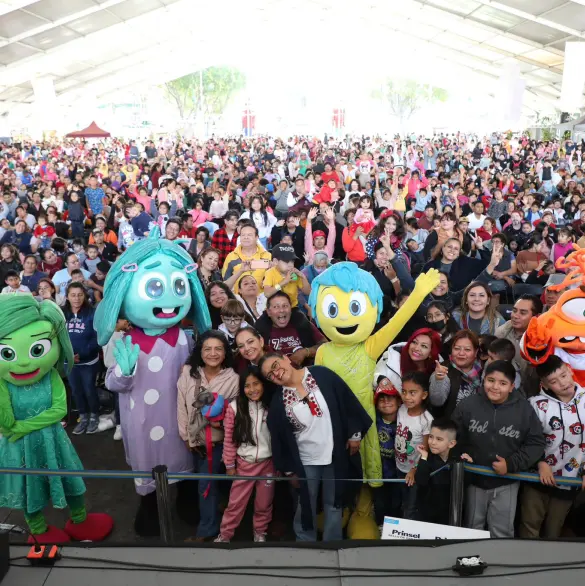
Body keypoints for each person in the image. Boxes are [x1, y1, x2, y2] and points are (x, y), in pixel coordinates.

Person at [259, 352, 372, 541]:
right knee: (306, 502)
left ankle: (332, 541)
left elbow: (347, 402)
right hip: (305, 460)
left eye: (276, 366)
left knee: (334, 502)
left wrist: (354, 434)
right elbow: (279, 438)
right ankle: (305, 541)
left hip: (335, 454)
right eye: (270, 375)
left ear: (287, 359)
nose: (276, 373)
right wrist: (288, 470)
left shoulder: (321, 375)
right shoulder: (279, 402)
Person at [453, 360, 545, 538]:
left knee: (502, 531)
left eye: (503, 383)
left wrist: (511, 464)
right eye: (490, 380)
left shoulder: (524, 409)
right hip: (474, 480)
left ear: (512, 386)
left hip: (507, 481)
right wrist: (460, 454)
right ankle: (470, 562)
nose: (495, 387)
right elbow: (453, 435)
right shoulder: (468, 405)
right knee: (472, 528)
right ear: (483, 380)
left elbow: (536, 443)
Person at [177, 330, 240, 542]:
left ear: (225, 353)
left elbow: (236, 414)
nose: (212, 353)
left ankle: (207, 531)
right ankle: (218, 516)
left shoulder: (234, 379)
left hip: (219, 444)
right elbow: (181, 405)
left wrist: (219, 422)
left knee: (206, 485)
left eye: (218, 349)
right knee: (209, 484)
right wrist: (186, 436)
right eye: (207, 349)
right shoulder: (188, 372)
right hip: (194, 442)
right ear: (200, 351)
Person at [520, 357, 585, 538]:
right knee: (529, 526)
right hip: (536, 479)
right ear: (545, 385)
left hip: (570, 480)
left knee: (554, 532)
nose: (563, 383)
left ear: (570, 370)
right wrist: (540, 462)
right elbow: (525, 439)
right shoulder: (535, 405)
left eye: (564, 375)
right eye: (554, 381)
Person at [215, 368, 274, 543]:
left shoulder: (271, 405)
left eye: (256, 384)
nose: (252, 389)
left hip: (267, 465)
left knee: (264, 503)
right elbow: (229, 440)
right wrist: (230, 465)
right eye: (247, 386)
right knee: (235, 504)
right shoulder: (235, 408)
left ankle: (260, 532)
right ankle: (225, 535)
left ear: (263, 384)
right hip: (244, 465)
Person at [63, 283, 101, 435]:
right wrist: (67, 354)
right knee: (76, 391)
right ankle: (83, 416)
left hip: (88, 361)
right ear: (67, 297)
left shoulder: (92, 313)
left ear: (85, 296)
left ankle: (94, 416)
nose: (76, 298)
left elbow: (97, 338)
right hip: (69, 361)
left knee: (89, 389)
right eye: (73, 295)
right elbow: (58, 335)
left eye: (80, 295)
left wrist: (82, 354)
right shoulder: (63, 313)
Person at [395, 371, 433, 519]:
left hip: (413, 473)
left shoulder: (426, 420)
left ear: (423, 395)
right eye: (404, 392)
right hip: (399, 466)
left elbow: (425, 450)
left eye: (412, 393)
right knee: (402, 501)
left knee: (411, 507)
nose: (407, 397)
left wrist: (414, 470)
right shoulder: (402, 410)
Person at [255, 291, 326, 366]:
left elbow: (325, 345)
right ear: (269, 312)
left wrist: (304, 352)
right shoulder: (262, 330)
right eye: (276, 307)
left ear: (291, 309)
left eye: (285, 306)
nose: (281, 310)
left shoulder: (302, 323)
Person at [495, 294, 543, 395]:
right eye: (514, 310)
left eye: (523, 312)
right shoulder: (500, 334)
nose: (515, 315)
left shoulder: (544, 339)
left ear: (536, 317)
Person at [415, 418, 458, 526]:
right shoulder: (427, 459)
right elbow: (421, 480)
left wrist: (468, 462)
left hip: (448, 513)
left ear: (451, 444)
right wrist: (423, 457)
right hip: (427, 514)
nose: (432, 442)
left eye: (439, 439)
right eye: (431, 437)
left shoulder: (456, 460)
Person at [429, 329, 482, 417]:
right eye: (457, 348)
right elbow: (436, 402)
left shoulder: (484, 371)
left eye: (467, 349)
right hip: (450, 426)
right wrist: (439, 379)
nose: (461, 353)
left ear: (475, 352)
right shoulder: (442, 369)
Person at [374, 328, 441, 393]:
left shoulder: (438, 370)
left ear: (431, 353)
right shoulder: (391, 357)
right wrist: (380, 379)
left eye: (424, 346)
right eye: (414, 342)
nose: (416, 348)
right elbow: (373, 375)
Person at [372, 380, 401, 528]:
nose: (386, 402)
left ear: (399, 402)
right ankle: (380, 529)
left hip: (398, 474)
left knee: (397, 504)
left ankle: (395, 531)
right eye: (381, 399)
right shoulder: (374, 420)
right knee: (380, 503)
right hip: (379, 473)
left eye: (390, 398)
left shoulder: (404, 420)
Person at [222, 223, 272, 294]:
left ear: (257, 237)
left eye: (249, 235)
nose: (246, 237)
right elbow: (225, 284)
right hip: (239, 301)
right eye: (243, 235)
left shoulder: (268, 256)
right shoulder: (231, 257)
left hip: (262, 300)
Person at [263, 243, 311, 307]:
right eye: (286, 261)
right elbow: (267, 293)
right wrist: (285, 281)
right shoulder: (270, 273)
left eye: (292, 261)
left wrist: (303, 277)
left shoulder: (294, 274)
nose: (290, 264)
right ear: (275, 261)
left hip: (292, 307)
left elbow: (308, 292)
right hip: (274, 308)